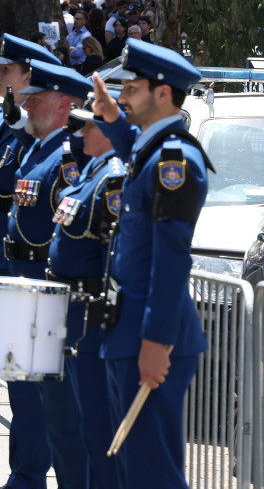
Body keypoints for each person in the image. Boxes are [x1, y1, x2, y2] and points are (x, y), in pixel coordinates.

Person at [91, 40, 210, 489]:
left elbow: (172, 260)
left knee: (151, 474)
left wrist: (157, 341)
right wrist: (112, 118)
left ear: (163, 94)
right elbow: (134, 151)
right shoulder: (154, 150)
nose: (123, 96)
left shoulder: (174, 162)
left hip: (151, 337)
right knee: (133, 469)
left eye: (132, 88)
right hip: (130, 332)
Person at [4, 59, 91, 489]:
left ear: (64, 105)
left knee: (38, 393)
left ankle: (29, 477)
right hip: (22, 279)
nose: (29, 106)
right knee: (20, 388)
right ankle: (23, 472)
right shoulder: (36, 148)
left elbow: (67, 228)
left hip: (44, 284)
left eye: (37, 100)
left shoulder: (67, 158)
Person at [46, 98, 124, 489]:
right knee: (69, 423)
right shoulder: (89, 172)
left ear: (108, 131)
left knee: (94, 429)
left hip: (87, 320)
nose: (80, 133)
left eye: (89, 126)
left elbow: (112, 258)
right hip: (69, 315)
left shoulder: (113, 179)